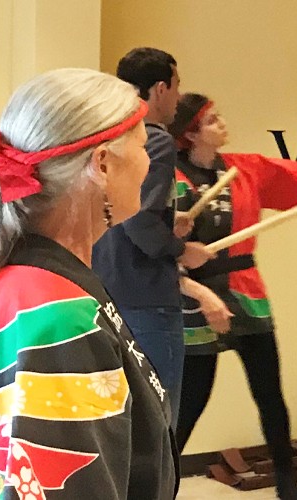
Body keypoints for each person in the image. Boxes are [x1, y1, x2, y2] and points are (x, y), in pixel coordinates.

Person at [0, 68, 177, 499]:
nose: (150, 165)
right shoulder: (55, 313)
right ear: (103, 163)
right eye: (144, 147)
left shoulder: (34, 285)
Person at [167, 93, 297, 500]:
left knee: (270, 394)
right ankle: (160, 484)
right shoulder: (169, 178)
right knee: (190, 402)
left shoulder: (243, 169)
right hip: (192, 294)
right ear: (191, 134)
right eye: (212, 120)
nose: (222, 123)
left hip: (245, 290)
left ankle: (286, 483)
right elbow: (154, 243)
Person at [93, 47, 212, 426]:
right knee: (157, 423)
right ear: (160, 88)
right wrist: (180, 249)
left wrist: (165, 225)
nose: (178, 97)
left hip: (104, 291)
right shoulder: (154, 140)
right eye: (177, 87)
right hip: (146, 297)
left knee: (119, 420)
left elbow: (121, 212)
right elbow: (139, 218)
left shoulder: (105, 136)